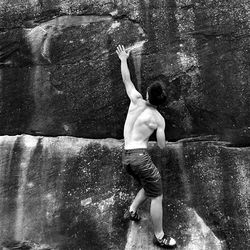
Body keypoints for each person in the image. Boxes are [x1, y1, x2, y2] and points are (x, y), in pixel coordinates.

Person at [116, 45, 177, 249]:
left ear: (148, 94)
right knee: (157, 194)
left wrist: (124, 59)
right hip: (140, 157)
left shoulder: (135, 100)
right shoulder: (158, 119)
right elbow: (161, 146)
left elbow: (127, 80)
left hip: (126, 156)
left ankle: (132, 210)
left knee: (147, 183)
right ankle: (159, 236)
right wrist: (161, 130)